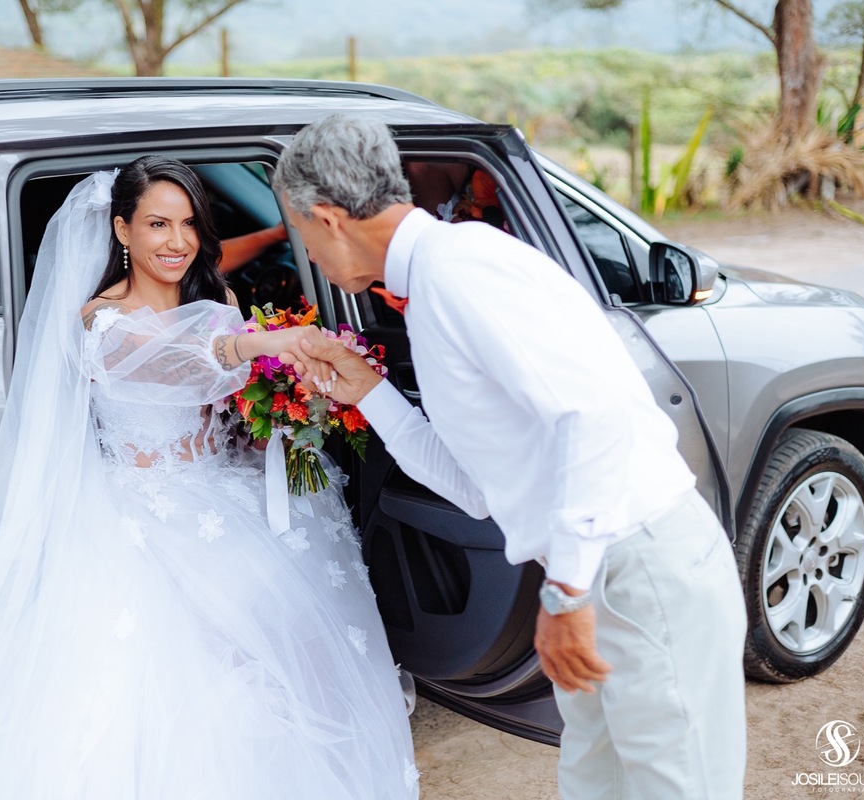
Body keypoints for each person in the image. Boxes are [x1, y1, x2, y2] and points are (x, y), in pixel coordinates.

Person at [0, 156, 419, 799]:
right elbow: (179, 361)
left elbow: (226, 409)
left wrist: (284, 407)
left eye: (189, 224)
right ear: (122, 230)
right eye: (157, 224)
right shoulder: (102, 320)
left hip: (230, 498)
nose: (177, 242)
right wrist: (263, 345)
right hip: (145, 521)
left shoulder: (220, 302)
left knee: (292, 662)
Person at [273, 114, 747, 800]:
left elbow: (593, 417)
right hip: (599, 566)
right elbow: (475, 485)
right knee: (595, 781)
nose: (308, 254)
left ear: (327, 218)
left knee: (676, 787)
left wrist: (566, 594)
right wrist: (370, 391)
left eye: (301, 231)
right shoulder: (435, 280)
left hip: (637, 564)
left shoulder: (462, 271)